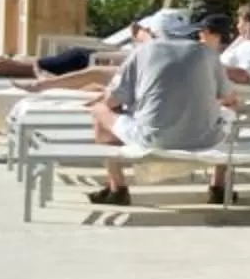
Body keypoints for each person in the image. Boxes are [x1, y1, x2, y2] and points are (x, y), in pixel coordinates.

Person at [88, 11, 224, 207]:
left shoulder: (142, 52)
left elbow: (112, 100)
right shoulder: (207, 53)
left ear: (155, 31)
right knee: (228, 113)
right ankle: (219, 186)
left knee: (100, 111)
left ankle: (117, 188)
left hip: (154, 139)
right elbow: (229, 97)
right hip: (205, 139)